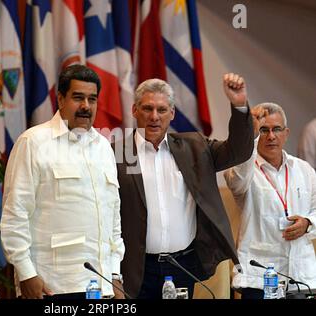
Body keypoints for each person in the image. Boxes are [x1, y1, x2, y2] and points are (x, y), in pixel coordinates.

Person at [114, 73, 254, 299]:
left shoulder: (193, 147)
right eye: (147, 108)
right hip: (136, 269)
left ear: (172, 113)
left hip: (182, 266)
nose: (154, 117)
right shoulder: (120, 152)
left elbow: (239, 151)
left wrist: (238, 106)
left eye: (161, 110)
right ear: (134, 111)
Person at [0, 64, 125, 299]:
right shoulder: (33, 142)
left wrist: (115, 275)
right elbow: (14, 214)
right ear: (60, 99)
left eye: (92, 99)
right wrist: (26, 273)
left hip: (102, 286)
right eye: (78, 98)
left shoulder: (104, 148)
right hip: (53, 285)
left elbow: (113, 218)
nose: (86, 106)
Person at [224, 103, 316, 299]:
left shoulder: (304, 169)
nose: (271, 136)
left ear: (286, 133)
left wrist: (308, 223)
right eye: (264, 130)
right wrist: (250, 134)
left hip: (302, 275)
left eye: (276, 129)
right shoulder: (242, 168)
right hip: (259, 277)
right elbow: (236, 182)